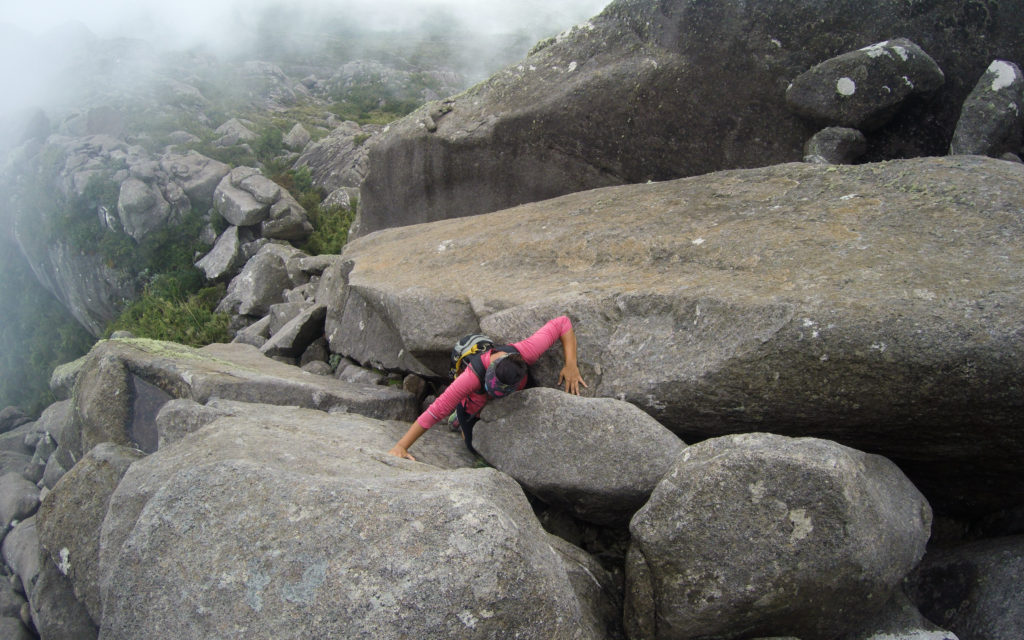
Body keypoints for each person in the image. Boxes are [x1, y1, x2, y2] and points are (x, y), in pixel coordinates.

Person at [388, 315, 586, 460]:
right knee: (472, 445)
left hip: (515, 391)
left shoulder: (527, 352)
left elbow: (563, 323)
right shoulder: (470, 378)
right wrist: (400, 446)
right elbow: (435, 410)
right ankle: (459, 419)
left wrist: (571, 364)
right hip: (473, 402)